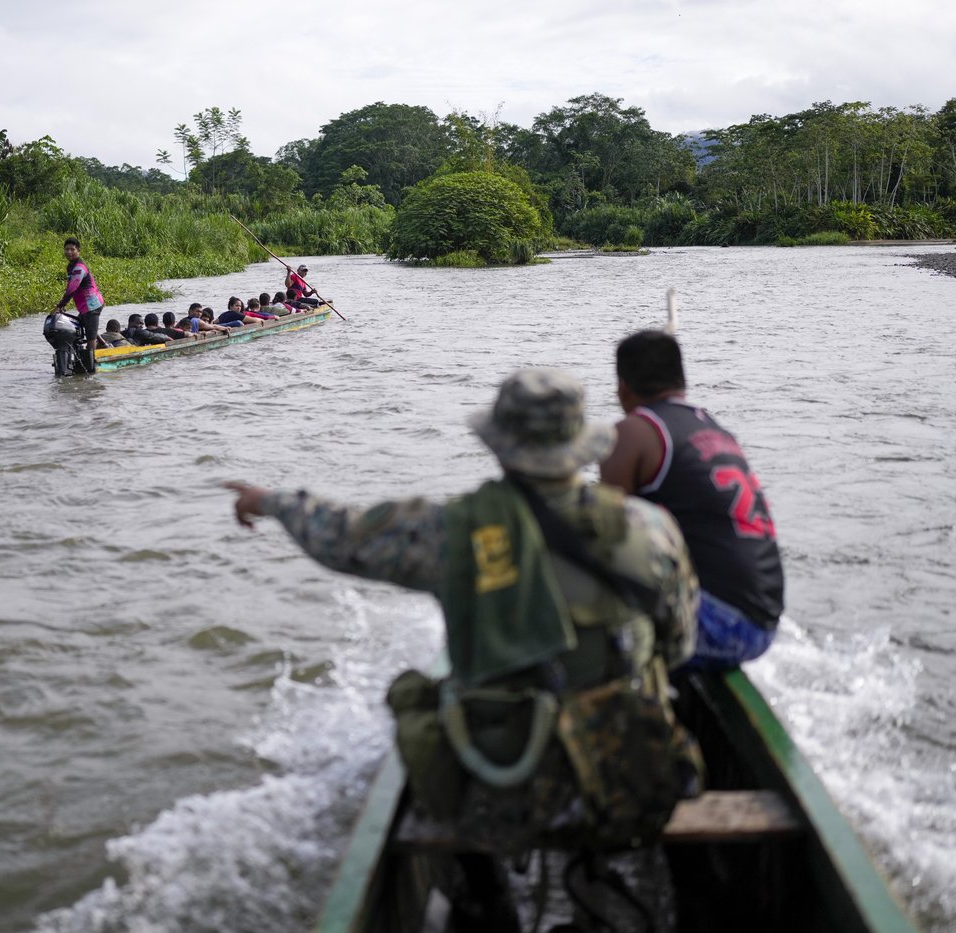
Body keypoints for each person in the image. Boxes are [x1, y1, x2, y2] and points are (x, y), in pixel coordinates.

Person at [227, 369, 699, 930]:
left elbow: (346, 537)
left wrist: (273, 502)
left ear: (499, 447)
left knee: (414, 700)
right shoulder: (651, 528)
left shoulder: (454, 530)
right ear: (580, 447)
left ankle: (482, 899)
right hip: (627, 777)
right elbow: (679, 648)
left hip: (501, 785)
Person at [599, 329, 784, 669]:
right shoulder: (710, 426)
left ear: (622, 387)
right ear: (681, 381)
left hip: (721, 624)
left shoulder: (633, 433)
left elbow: (602, 542)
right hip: (764, 622)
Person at [54, 237, 105, 355]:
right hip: (85, 306)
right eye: (67, 249)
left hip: (91, 305)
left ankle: (92, 363)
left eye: (72, 249)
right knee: (82, 324)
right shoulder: (70, 266)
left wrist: (59, 306)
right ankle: (103, 343)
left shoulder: (79, 268)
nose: (69, 252)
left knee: (90, 338)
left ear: (78, 251)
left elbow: (72, 288)